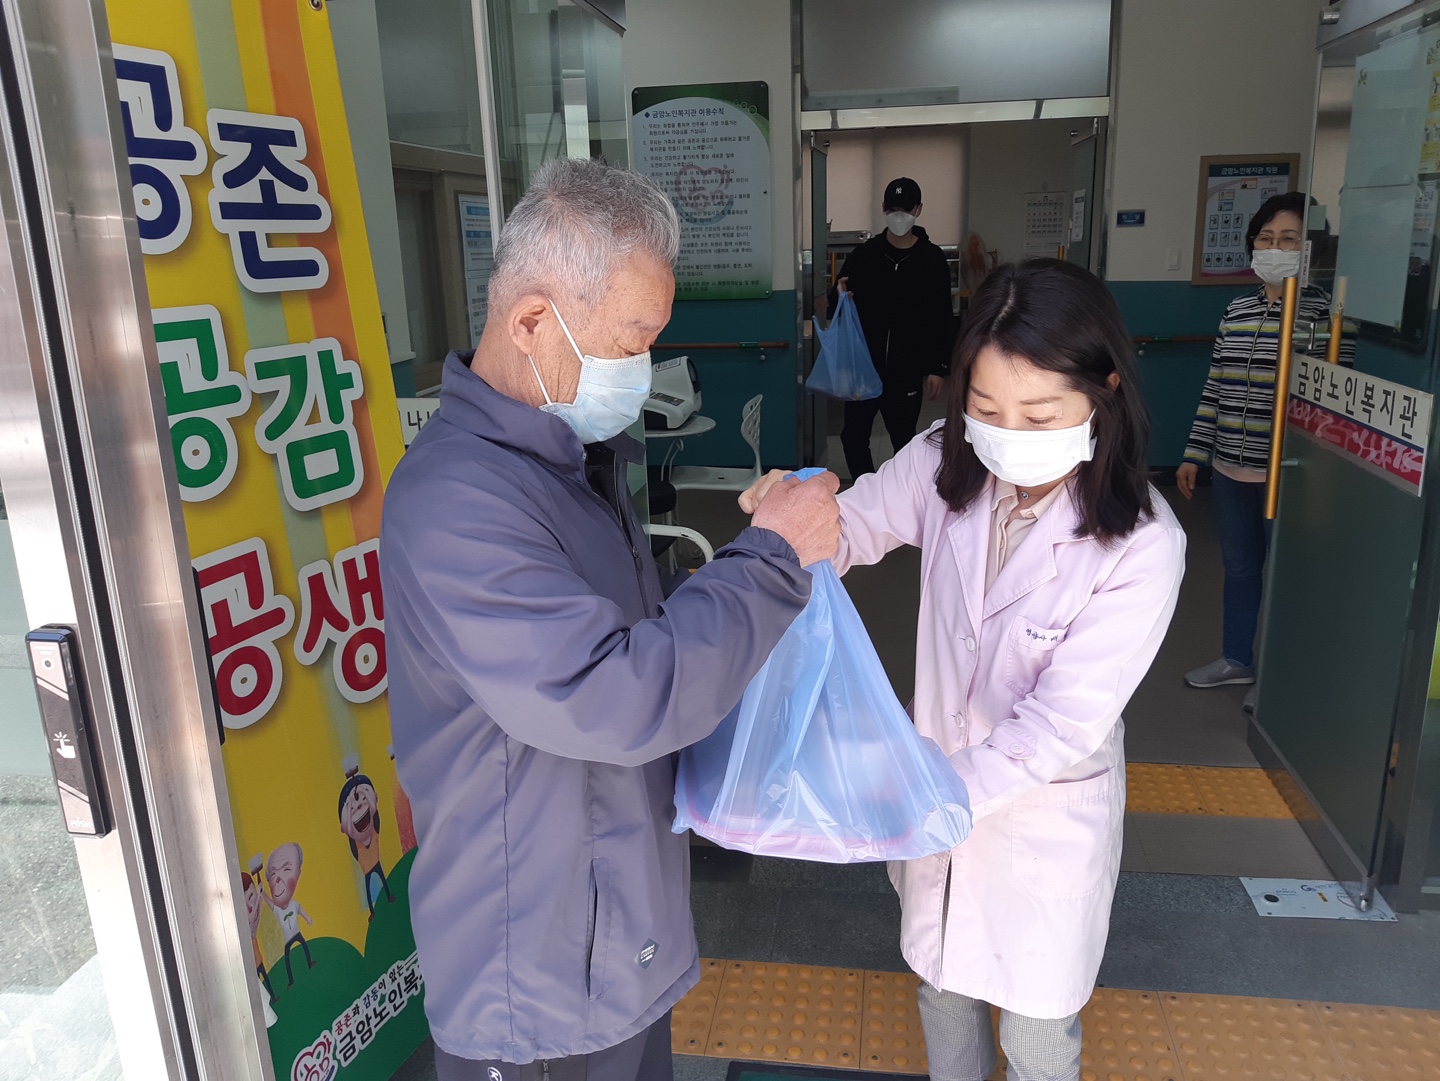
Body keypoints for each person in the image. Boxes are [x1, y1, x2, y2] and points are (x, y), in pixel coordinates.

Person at [379, 158, 841, 1081]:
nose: (644, 371)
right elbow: (611, 693)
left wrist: (739, 574)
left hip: (611, 930)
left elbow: (628, 627)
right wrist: (771, 560)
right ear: (531, 323)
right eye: (633, 343)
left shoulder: (568, 458)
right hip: (536, 975)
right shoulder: (458, 500)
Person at [745, 259, 1186, 1081]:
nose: (1007, 434)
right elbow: (850, 529)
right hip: (936, 805)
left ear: (1105, 391)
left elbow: (1057, 725)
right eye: (985, 408)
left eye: (1039, 414)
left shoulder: (1143, 544)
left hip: (1039, 820)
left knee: (1037, 1037)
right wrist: (789, 521)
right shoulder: (944, 462)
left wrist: (932, 795)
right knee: (941, 991)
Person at [1177, 191, 1351, 708]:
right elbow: (1216, 386)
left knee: (1286, 575)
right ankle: (1237, 658)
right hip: (1230, 468)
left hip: (1288, 472)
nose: (1275, 248)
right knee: (1240, 569)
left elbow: (1334, 399)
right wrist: (1194, 453)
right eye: (1266, 238)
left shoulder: (1326, 316)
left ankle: (1279, 675)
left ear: (1310, 248)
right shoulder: (1238, 309)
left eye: (1289, 239)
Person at [826, 176, 954, 477]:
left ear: (918, 209)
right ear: (884, 208)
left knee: (904, 441)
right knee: (853, 437)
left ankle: (900, 495)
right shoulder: (865, 255)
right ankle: (866, 489)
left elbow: (941, 316)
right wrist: (839, 294)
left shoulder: (931, 259)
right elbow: (838, 301)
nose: (899, 216)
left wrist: (938, 367)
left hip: (906, 369)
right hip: (863, 368)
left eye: (905, 210)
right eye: (893, 210)